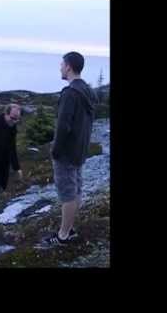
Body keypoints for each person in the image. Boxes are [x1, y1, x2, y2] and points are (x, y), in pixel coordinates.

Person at [43, 51, 98, 246]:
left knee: (67, 194)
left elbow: (63, 126)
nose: (60, 67)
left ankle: (63, 235)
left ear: (68, 67)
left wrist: (55, 150)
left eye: (61, 64)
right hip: (79, 150)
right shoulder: (88, 91)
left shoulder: (70, 93)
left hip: (66, 153)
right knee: (75, 191)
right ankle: (70, 228)